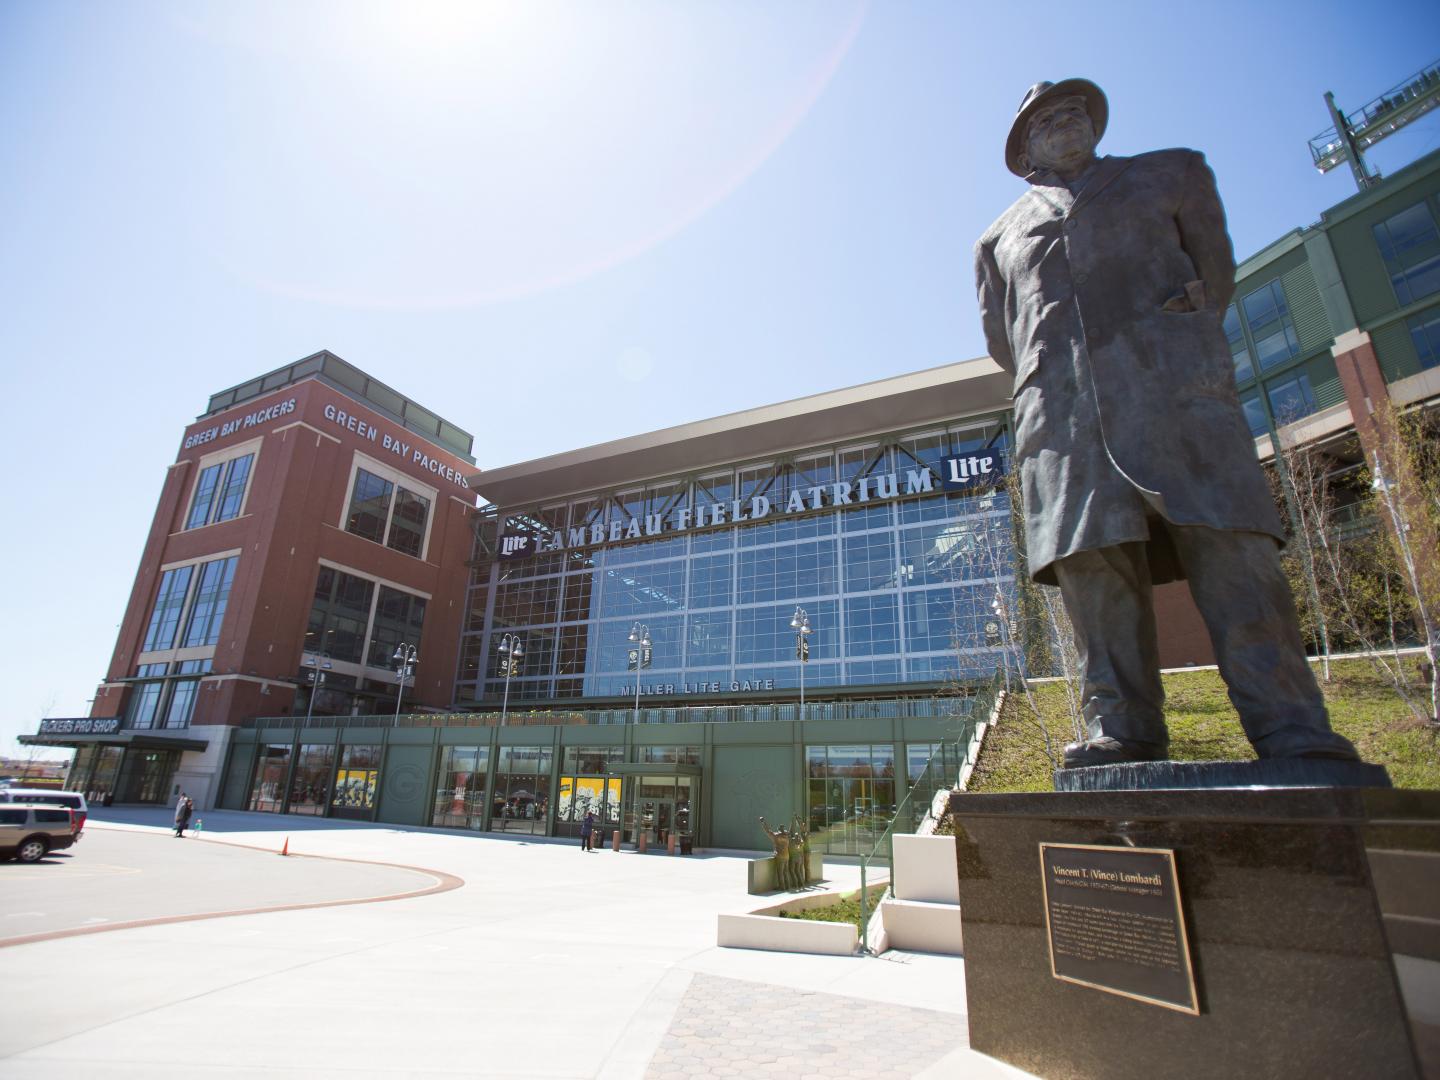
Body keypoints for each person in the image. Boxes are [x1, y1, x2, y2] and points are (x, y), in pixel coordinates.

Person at [974, 78, 1359, 768]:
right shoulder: (997, 238)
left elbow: (1213, 274)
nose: (1064, 120)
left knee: (1232, 552)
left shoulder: (1169, 173)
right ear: (1024, 148)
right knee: (1094, 573)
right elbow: (1006, 342)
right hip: (1064, 423)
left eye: (1074, 110)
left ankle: (1291, 726)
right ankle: (1122, 729)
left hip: (1175, 397)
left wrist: (1163, 342)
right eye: (1045, 119)